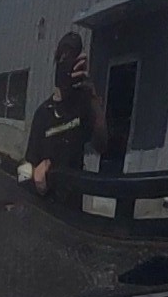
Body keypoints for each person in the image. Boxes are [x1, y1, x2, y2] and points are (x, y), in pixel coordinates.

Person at [25, 31, 107, 193]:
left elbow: (101, 146)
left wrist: (94, 100)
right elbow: (29, 163)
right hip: (47, 201)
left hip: (74, 201)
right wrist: (37, 171)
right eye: (64, 60)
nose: (68, 68)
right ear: (57, 64)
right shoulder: (43, 113)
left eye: (73, 60)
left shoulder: (82, 106)